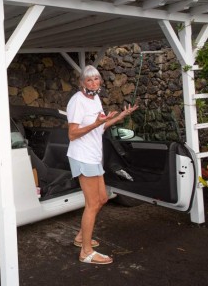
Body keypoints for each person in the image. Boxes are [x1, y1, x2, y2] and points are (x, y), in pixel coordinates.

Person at [66, 65, 138, 265]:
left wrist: (119, 117)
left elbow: (100, 126)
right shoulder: (77, 101)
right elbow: (72, 134)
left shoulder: (95, 98)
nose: (93, 83)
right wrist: (96, 124)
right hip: (83, 157)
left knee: (102, 199)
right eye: (89, 80)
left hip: (94, 156)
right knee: (92, 204)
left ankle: (81, 237)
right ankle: (86, 252)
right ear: (82, 83)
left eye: (96, 79)